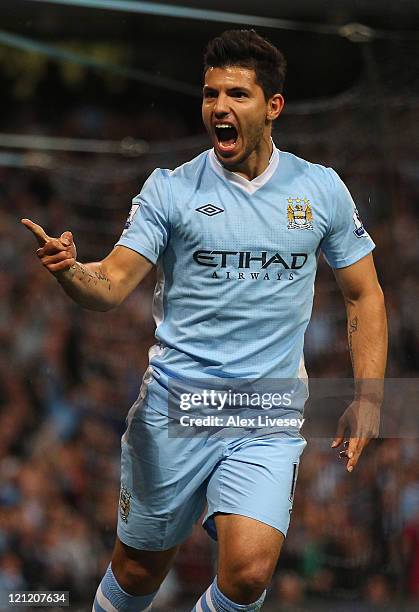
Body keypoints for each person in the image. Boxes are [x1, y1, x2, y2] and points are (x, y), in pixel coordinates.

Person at [22, 29, 387, 612]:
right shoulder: (170, 191)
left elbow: (364, 295)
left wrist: (369, 397)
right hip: (176, 406)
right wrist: (71, 271)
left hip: (266, 413)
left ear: (273, 107)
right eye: (211, 94)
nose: (219, 107)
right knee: (138, 572)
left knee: (247, 575)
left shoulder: (320, 190)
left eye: (237, 94)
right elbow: (111, 285)